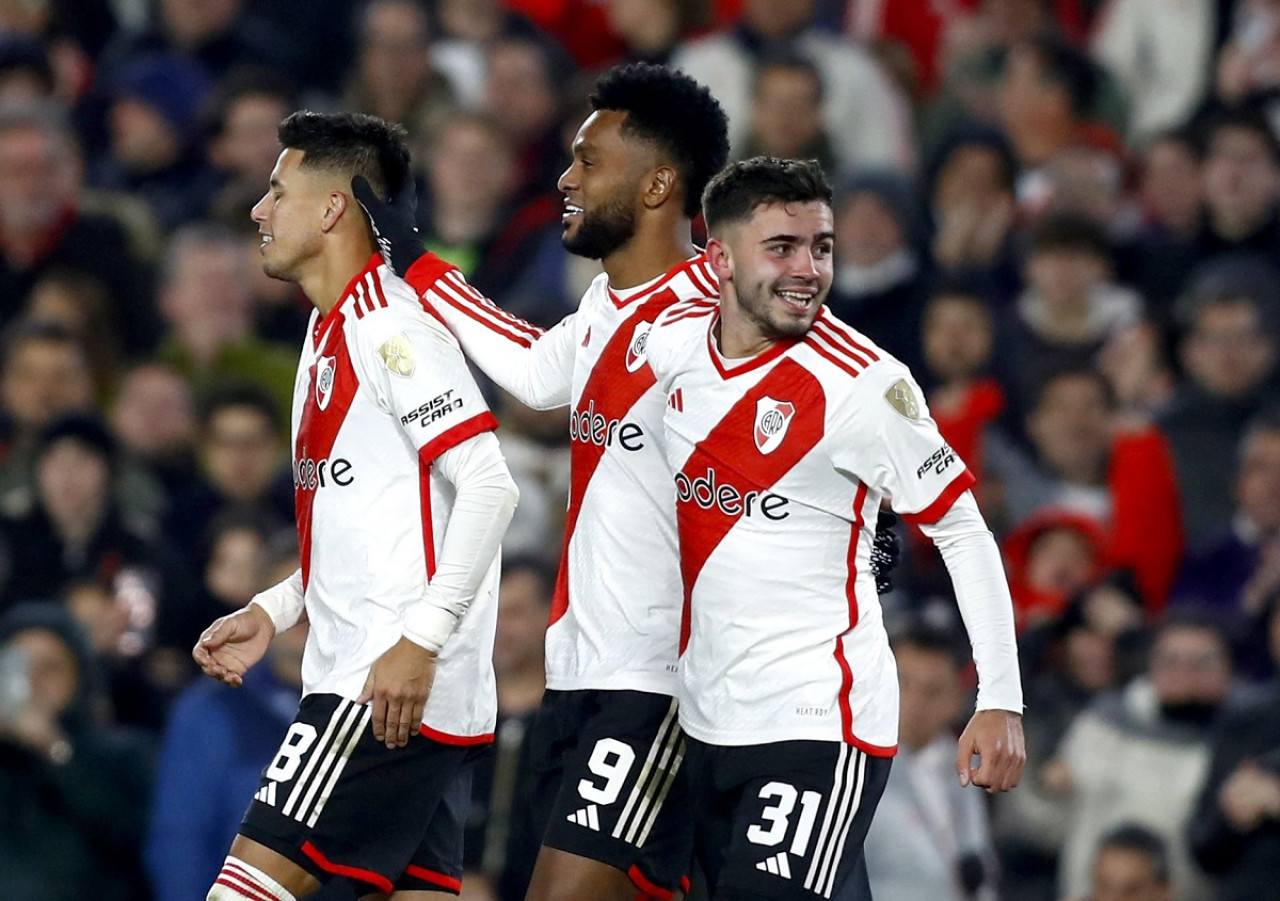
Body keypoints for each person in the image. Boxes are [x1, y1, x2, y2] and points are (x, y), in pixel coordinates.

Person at [356, 62, 731, 901]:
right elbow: (531, 368)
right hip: (582, 670)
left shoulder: (720, 308)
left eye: (590, 162)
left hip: (661, 678)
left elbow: (817, 394)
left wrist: (863, 522)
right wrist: (412, 260)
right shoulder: (608, 302)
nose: (565, 178)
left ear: (659, 184)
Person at [640, 157, 1024, 900]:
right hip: (704, 715)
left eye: (822, 247)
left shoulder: (864, 383)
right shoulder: (674, 346)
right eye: (781, 247)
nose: (808, 268)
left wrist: (999, 697)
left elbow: (964, 533)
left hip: (819, 720)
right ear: (719, 257)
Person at [191, 110, 519, 901]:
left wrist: (419, 641)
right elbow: (369, 520)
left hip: (379, 688)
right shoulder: (325, 327)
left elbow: (489, 484)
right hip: (397, 685)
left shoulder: (390, 327)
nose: (258, 211)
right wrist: (275, 607)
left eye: (277, 191)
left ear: (334, 208)